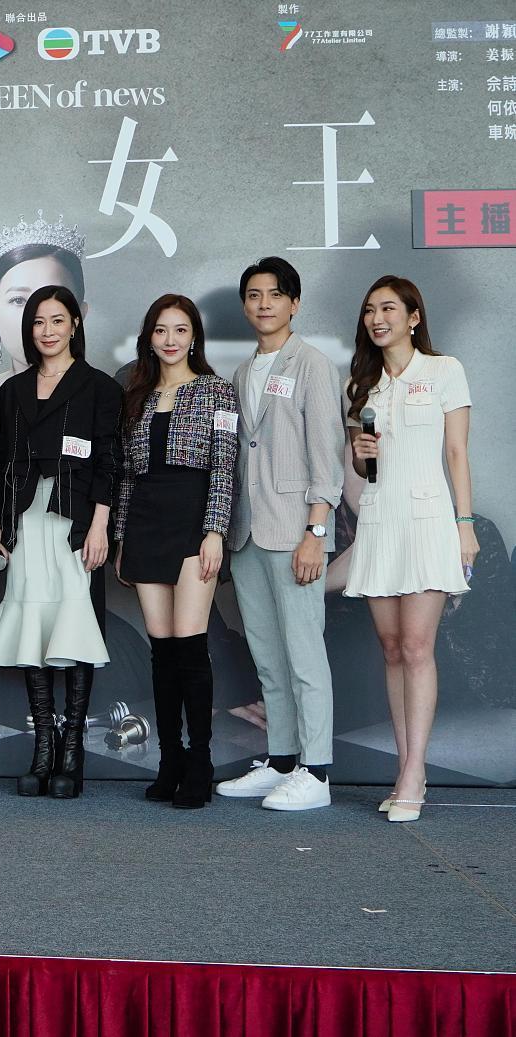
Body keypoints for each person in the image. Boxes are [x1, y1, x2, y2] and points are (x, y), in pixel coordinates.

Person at [0, 285, 119, 799]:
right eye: (38, 322)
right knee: (32, 626)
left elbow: (109, 462)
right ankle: (43, 747)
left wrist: (100, 525)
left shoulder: (100, 388)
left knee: (74, 624)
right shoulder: (11, 392)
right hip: (26, 520)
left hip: (75, 520)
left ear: (75, 324)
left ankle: (72, 750)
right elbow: (2, 465)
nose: (48, 331)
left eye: (58, 320)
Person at [343, 276, 476, 824]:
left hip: (428, 520)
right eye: (370, 310)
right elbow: (361, 468)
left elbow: (456, 452)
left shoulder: (444, 370)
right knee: (392, 647)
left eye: (389, 309)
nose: (378, 319)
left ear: (414, 317)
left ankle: (414, 772)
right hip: (379, 520)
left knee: (418, 647)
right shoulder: (361, 385)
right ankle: (405, 767)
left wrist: (464, 524)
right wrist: (360, 452)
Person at [217, 258, 344, 812]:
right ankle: (283, 759)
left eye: (274, 294)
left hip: (296, 531)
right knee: (267, 655)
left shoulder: (312, 364)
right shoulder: (244, 372)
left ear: (294, 303)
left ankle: (316, 771)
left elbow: (327, 455)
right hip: (248, 533)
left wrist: (316, 529)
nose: (263, 304)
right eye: (253, 295)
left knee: (304, 655)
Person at [112, 295, 239, 810]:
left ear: (194, 337)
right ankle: (170, 761)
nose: (170, 339)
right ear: (149, 337)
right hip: (145, 523)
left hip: (193, 523)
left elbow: (225, 467)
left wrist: (214, 531)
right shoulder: (134, 395)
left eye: (180, 330)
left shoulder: (217, 391)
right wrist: (122, 537)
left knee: (190, 647)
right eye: (161, 330)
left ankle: (200, 763)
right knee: (161, 651)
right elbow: (126, 476)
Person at [0, 213, 87, 394]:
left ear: (79, 315)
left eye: (55, 300)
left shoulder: (103, 393)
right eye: (18, 300)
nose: (35, 315)